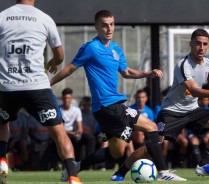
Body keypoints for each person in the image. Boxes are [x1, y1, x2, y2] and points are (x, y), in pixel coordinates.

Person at [50, 10, 186, 182]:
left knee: (116, 152)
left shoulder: (115, 49)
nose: (109, 28)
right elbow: (70, 68)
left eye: (112, 24)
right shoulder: (91, 48)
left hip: (107, 109)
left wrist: (148, 73)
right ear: (97, 26)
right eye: (105, 25)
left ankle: (77, 167)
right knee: (152, 127)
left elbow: (127, 72)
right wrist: (48, 83)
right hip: (110, 106)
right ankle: (163, 171)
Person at [113, 28, 209, 178]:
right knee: (150, 148)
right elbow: (193, 90)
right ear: (190, 44)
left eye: (205, 44)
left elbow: (194, 92)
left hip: (192, 110)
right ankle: (120, 173)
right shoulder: (183, 65)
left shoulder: (208, 64)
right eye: (198, 43)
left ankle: (204, 165)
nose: (201, 47)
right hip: (171, 112)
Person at [0, 1, 81, 183]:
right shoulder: (44, 19)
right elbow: (59, 56)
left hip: (7, 87)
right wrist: (53, 62)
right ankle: (73, 177)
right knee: (59, 132)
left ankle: (2, 159)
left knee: (2, 123)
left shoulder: (2, 17)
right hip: (36, 87)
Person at [59, 88, 84, 160]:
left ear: (71, 98)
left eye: (68, 98)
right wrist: (70, 133)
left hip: (72, 133)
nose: (67, 100)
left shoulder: (76, 110)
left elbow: (80, 128)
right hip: (62, 133)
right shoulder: (58, 110)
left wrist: (77, 133)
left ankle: (86, 164)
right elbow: (59, 128)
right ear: (62, 98)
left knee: (90, 138)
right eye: (65, 98)